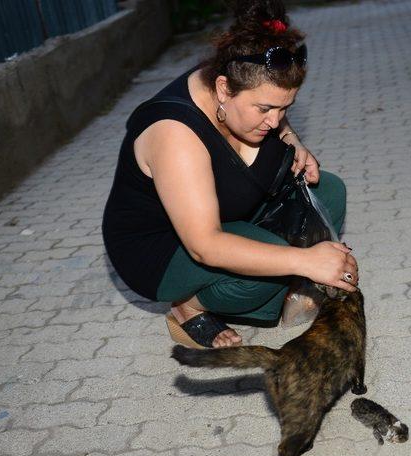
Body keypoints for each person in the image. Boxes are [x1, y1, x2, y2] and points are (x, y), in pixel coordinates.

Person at [102, 0, 359, 349]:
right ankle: (189, 306)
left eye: (285, 108)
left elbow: (273, 113)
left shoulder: (243, 80)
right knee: (267, 268)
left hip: (224, 206)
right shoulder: (174, 135)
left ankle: (286, 275)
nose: (274, 120)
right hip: (163, 246)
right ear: (223, 89)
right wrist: (305, 261)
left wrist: (293, 140)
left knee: (327, 190)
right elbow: (206, 246)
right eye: (265, 109)